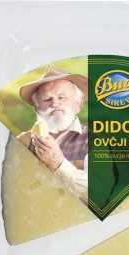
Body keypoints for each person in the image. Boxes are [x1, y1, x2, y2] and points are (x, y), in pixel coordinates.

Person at [17, 64, 89, 199]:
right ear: (37, 108)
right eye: (47, 99)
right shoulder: (21, 142)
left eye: (61, 97)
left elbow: (99, 193)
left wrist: (59, 162)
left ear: (78, 104)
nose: (55, 104)